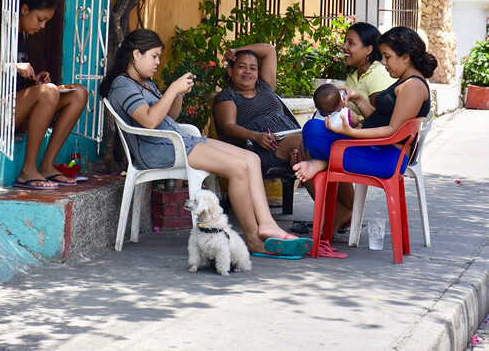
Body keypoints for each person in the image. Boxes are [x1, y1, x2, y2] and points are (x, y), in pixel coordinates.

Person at [100, 30, 312, 257]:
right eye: (154, 56)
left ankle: (267, 224)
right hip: (160, 149)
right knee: (238, 167)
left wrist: (178, 94)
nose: (158, 62)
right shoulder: (123, 85)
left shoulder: (144, 82)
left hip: (180, 142)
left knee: (251, 158)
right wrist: (171, 89)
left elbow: (169, 116)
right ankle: (252, 238)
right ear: (135, 55)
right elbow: (150, 121)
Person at [294, 26, 436, 239]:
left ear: (405, 57)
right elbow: (380, 119)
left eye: (387, 57)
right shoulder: (405, 81)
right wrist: (358, 99)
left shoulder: (413, 87)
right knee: (312, 135)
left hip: (385, 159)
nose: (384, 63)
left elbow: (391, 131)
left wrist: (349, 131)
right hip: (375, 151)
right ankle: (330, 191)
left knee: (312, 129)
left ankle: (327, 180)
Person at [0, 0, 88, 190]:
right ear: (24, 9)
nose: (42, 26)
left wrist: (35, 80)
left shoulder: (23, 35)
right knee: (48, 92)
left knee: (79, 93)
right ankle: (27, 170)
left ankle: (46, 165)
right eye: (40, 19)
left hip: (14, 110)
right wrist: (13, 66)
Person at [213, 43, 302, 171]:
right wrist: (256, 136)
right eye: (241, 67)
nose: (247, 72)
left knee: (319, 143)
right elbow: (228, 127)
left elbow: (269, 50)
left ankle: (322, 187)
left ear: (258, 73)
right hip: (265, 148)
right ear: (230, 71)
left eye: (253, 68)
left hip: (289, 138)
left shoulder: (265, 86)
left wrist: (235, 50)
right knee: (306, 144)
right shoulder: (229, 95)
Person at [342, 21, 393, 116]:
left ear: (368, 50)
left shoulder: (378, 74)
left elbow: (380, 120)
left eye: (351, 43)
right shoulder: (353, 74)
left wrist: (351, 128)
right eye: (344, 42)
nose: (344, 47)